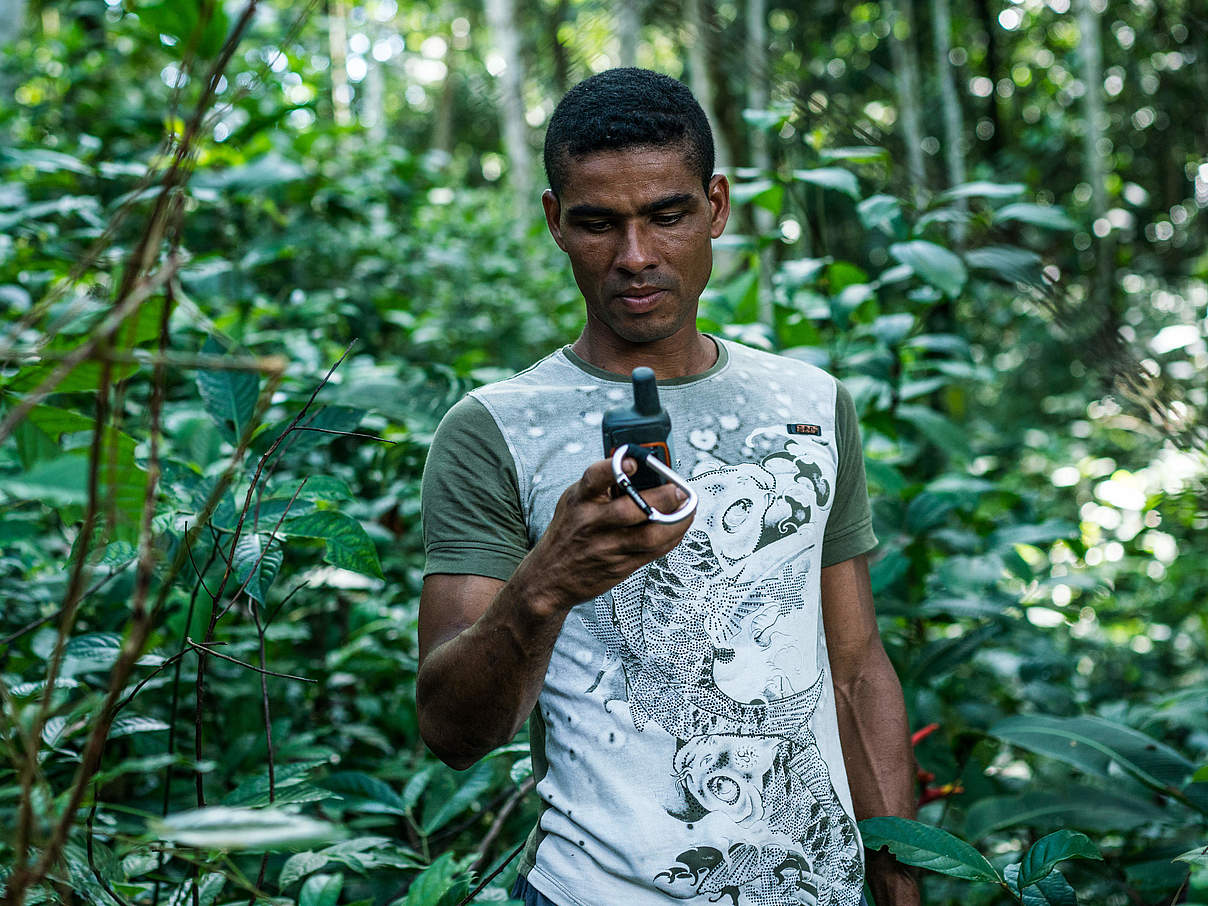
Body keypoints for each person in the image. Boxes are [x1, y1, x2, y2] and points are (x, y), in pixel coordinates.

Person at [416, 68, 919, 906]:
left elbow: (857, 669)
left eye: (668, 215)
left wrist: (898, 887)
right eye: (598, 224)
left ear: (715, 207)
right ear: (555, 223)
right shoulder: (494, 428)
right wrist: (547, 583)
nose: (635, 257)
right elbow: (451, 732)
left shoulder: (810, 405)